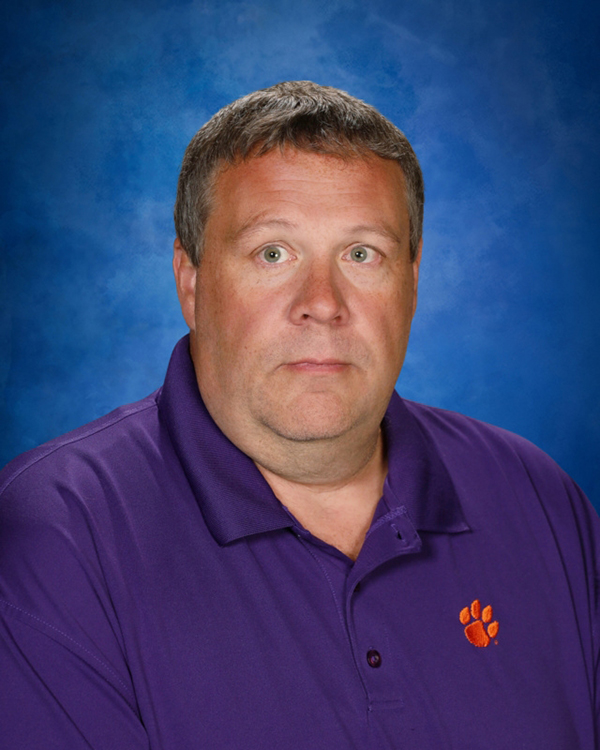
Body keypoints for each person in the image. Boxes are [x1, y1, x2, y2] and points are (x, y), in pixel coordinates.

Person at [0, 81, 598, 749]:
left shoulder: (539, 501)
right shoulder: (57, 535)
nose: (322, 302)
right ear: (191, 281)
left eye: (361, 254)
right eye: (273, 253)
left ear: (412, 279)